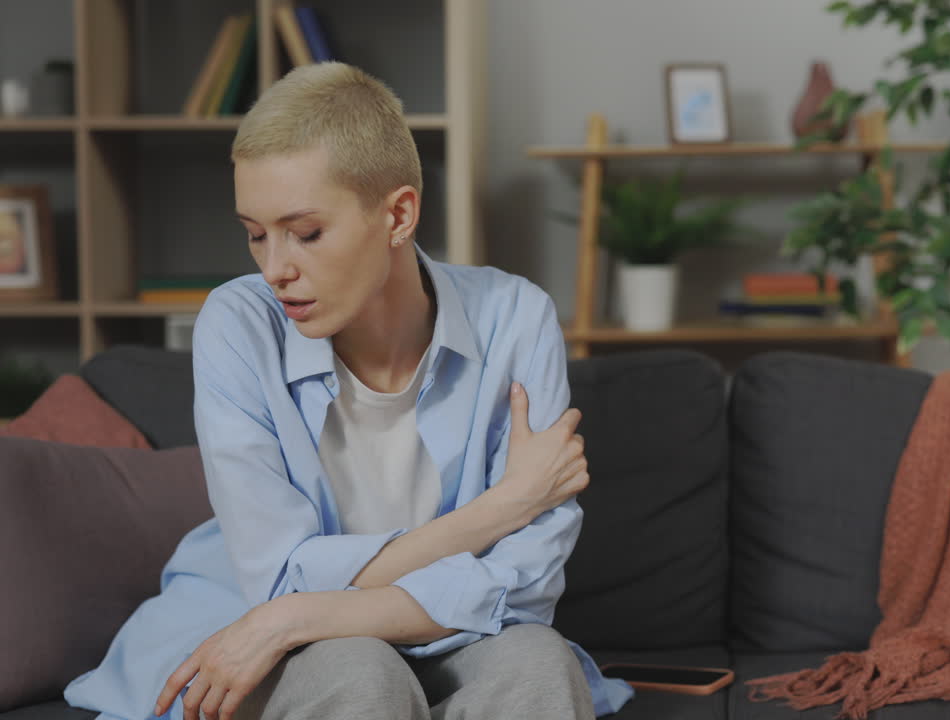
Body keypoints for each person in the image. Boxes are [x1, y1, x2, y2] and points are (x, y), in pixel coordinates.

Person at [63, 62, 634, 720]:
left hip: (441, 631)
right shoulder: (237, 324)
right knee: (359, 669)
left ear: (397, 215)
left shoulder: (516, 317)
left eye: (306, 234)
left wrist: (299, 614)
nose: (276, 268)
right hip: (248, 628)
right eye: (255, 234)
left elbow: (527, 585)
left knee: (538, 663)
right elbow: (275, 580)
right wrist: (502, 509)